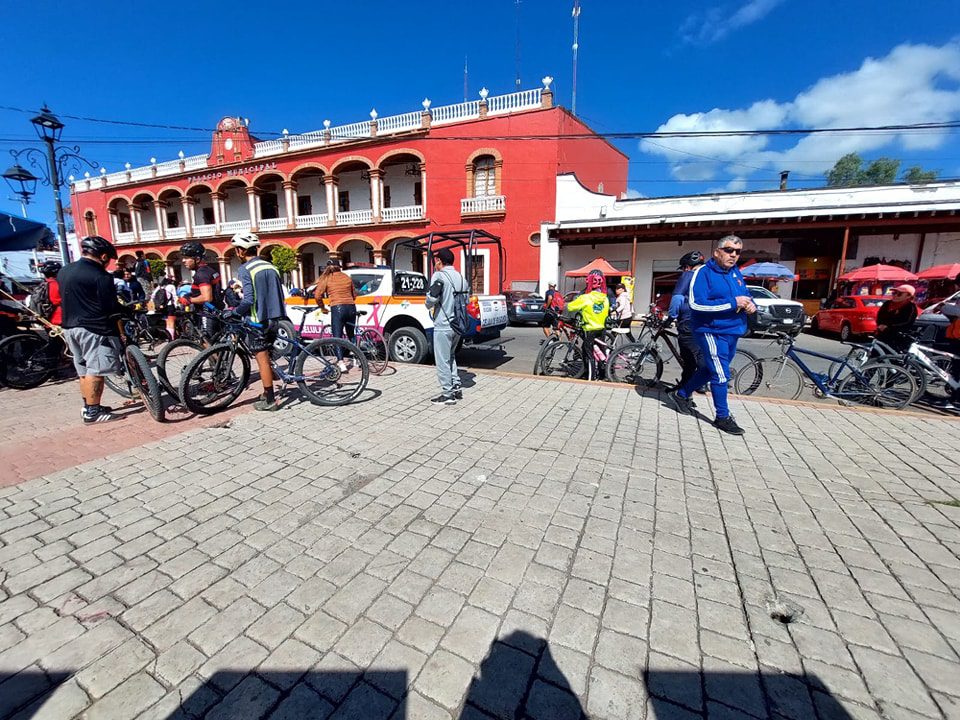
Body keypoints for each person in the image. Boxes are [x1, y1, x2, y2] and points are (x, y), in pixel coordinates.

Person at [667, 235, 755, 436]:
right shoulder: (703, 273)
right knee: (721, 374)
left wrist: (750, 304)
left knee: (709, 369)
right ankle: (722, 417)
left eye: (737, 252)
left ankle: (681, 395)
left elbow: (745, 295)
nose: (733, 255)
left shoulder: (735, 273)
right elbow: (696, 304)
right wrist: (734, 303)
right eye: (729, 250)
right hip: (710, 330)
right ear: (717, 252)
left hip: (732, 331)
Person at [57, 236, 124, 424]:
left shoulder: (64, 271)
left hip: (69, 328)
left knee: (84, 371)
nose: (108, 263)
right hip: (94, 329)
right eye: (108, 259)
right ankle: (93, 413)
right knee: (96, 370)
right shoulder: (100, 276)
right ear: (103, 256)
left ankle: (89, 406)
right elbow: (110, 305)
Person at [229, 232, 287, 411]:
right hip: (276, 319)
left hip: (257, 320)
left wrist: (235, 313)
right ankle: (269, 384)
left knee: (261, 359)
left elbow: (248, 299)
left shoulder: (245, 269)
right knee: (267, 356)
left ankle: (269, 399)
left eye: (236, 250)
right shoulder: (271, 266)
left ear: (240, 250)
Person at [425, 247, 466, 405]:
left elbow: (431, 299)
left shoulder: (439, 276)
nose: (435, 263)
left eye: (436, 260)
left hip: (443, 324)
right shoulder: (461, 278)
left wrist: (427, 303)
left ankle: (447, 395)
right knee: (451, 356)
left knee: (442, 360)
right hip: (458, 325)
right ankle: (456, 386)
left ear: (439, 261)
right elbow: (466, 300)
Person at [668, 251, 706, 391]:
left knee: (689, 358)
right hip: (706, 322)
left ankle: (691, 386)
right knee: (700, 352)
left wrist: (671, 317)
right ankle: (694, 382)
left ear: (687, 266)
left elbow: (677, 299)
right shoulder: (708, 276)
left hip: (689, 322)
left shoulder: (688, 275)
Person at [566, 269, 610, 369]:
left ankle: (590, 376)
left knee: (588, 353)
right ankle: (603, 373)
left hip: (589, 329)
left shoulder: (586, 297)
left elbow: (570, 307)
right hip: (601, 328)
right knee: (600, 350)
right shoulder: (605, 298)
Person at [314, 259, 357, 359]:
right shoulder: (347, 277)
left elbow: (317, 296)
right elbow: (354, 295)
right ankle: (357, 359)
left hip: (337, 308)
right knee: (351, 334)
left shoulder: (327, 278)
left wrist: (323, 308)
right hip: (351, 307)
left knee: (337, 337)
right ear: (339, 267)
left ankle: (341, 363)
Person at [179, 241, 223, 337]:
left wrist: (188, 299)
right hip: (215, 311)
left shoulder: (201, 274)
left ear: (197, 259)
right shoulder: (208, 270)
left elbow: (207, 298)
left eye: (187, 258)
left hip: (207, 313)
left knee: (207, 344)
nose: (183, 261)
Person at [876, 284, 918, 352]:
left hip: (898, 338)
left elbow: (907, 322)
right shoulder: (887, 303)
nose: (895, 295)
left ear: (908, 296)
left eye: (899, 294)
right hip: (882, 334)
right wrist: (880, 325)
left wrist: (888, 327)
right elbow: (879, 316)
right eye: (894, 293)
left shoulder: (910, 307)